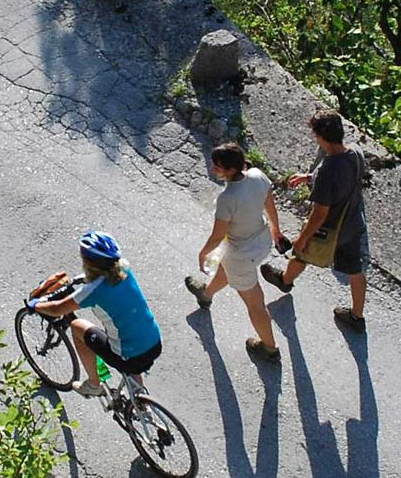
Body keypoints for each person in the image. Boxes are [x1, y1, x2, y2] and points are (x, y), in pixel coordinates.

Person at [261, 110, 371, 332]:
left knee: (301, 253)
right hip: (353, 223)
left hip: (329, 230)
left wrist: (302, 238)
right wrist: (310, 177)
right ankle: (357, 317)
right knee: (356, 270)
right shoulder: (355, 152)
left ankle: (285, 280)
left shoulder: (329, 169)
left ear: (320, 137)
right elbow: (345, 178)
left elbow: (320, 213)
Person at [28, 231, 163, 396]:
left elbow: (57, 309)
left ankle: (93, 385)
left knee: (77, 326)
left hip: (130, 355)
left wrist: (36, 305)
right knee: (130, 343)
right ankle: (140, 401)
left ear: (87, 261)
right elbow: (105, 277)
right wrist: (84, 278)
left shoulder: (92, 291)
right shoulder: (125, 268)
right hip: (154, 342)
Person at [183, 142, 283, 363]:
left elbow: (218, 235)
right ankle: (206, 294)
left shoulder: (227, 198)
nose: (212, 169)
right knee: (227, 266)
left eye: (217, 167)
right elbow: (270, 206)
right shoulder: (257, 175)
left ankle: (269, 348)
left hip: (241, 254)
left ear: (230, 170)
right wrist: (276, 232)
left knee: (255, 303)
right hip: (261, 240)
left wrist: (203, 253)